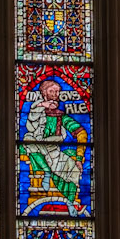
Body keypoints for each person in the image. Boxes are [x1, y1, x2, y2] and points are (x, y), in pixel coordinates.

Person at [20, 75, 87, 213]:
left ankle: (71, 203)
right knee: (28, 140)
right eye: (52, 91)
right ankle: (47, 172)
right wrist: (40, 106)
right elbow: (31, 126)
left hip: (53, 150)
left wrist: (79, 158)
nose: (55, 95)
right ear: (44, 93)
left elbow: (81, 133)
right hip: (37, 146)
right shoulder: (35, 112)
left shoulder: (60, 115)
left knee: (74, 170)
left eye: (57, 92)